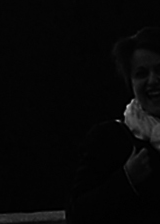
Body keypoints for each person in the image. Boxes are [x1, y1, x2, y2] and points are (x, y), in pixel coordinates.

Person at [68, 27, 160, 222]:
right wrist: (127, 179)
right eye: (141, 73)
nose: (153, 81)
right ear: (131, 82)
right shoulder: (109, 138)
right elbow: (77, 214)